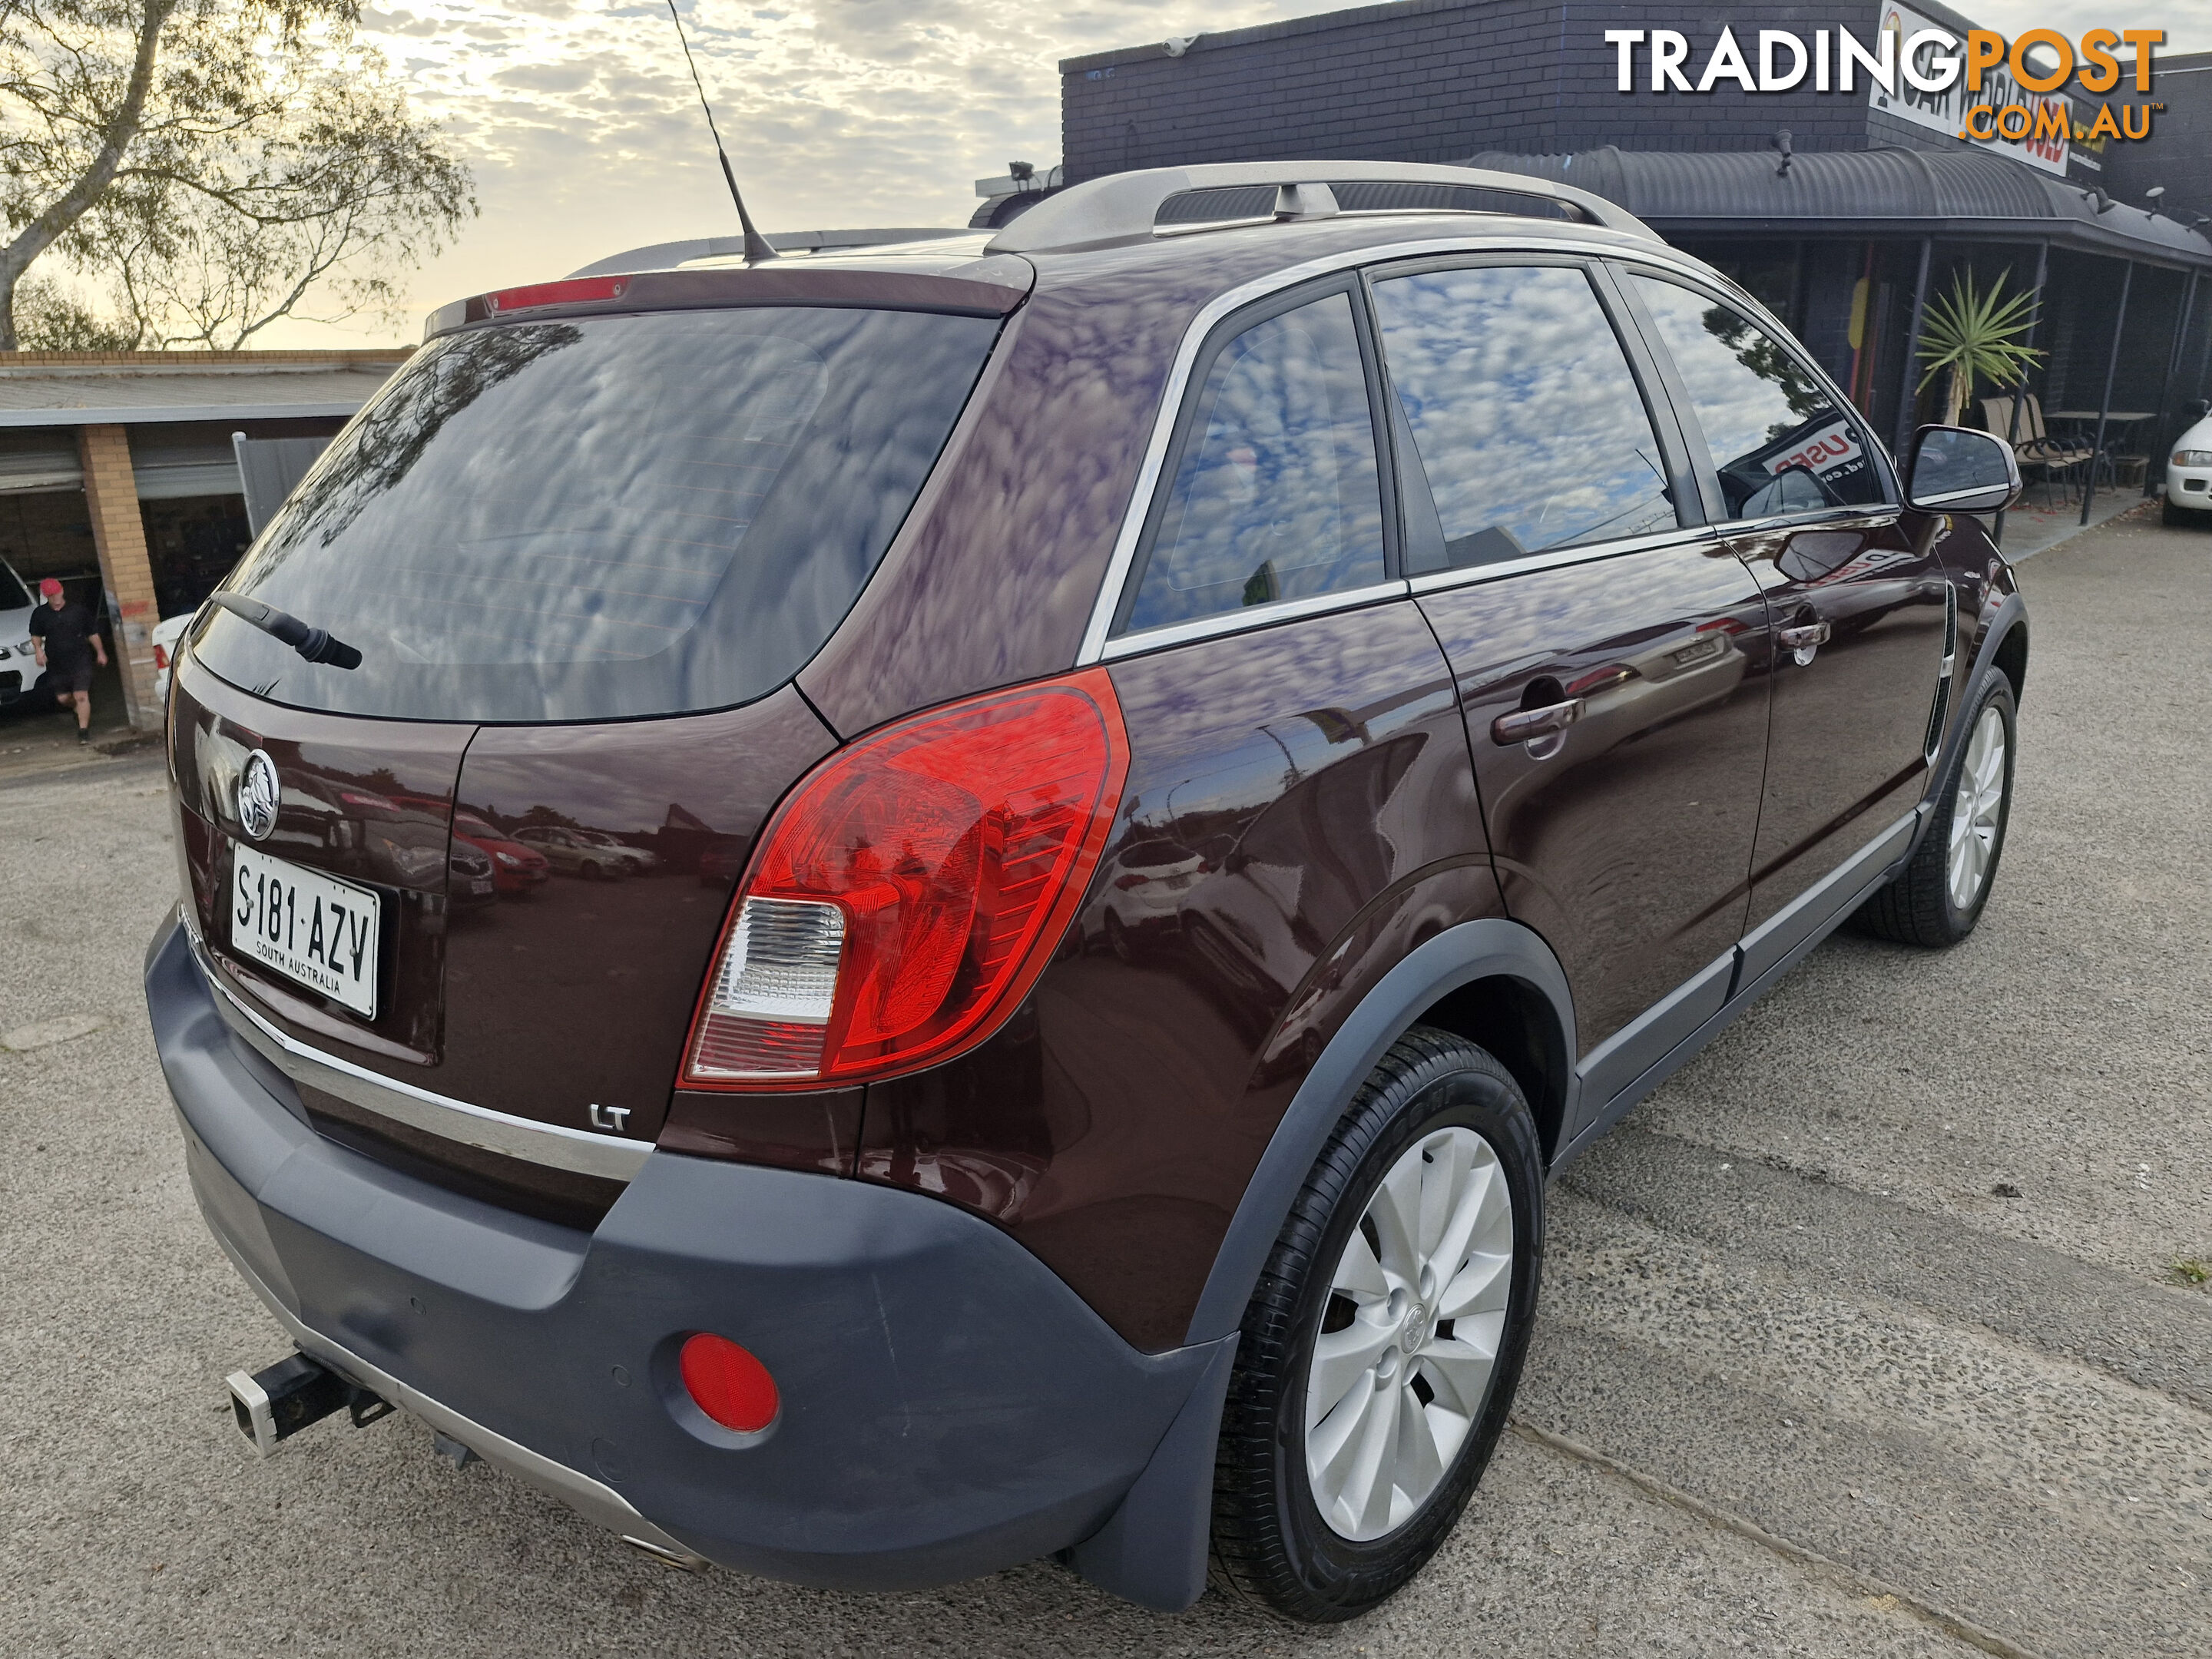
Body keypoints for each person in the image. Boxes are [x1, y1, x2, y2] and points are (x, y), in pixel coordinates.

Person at [28, 578, 108, 744]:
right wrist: (38, 651)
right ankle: (78, 709)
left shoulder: (78, 611)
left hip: (80, 659)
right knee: (63, 698)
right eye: (51, 596)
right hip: (57, 662)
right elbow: (35, 635)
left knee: (81, 695)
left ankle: (83, 731)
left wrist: (100, 652)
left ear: (62, 591)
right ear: (46, 597)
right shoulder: (40, 614)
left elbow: (92, 633)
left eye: (56, 594)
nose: (55, 599)